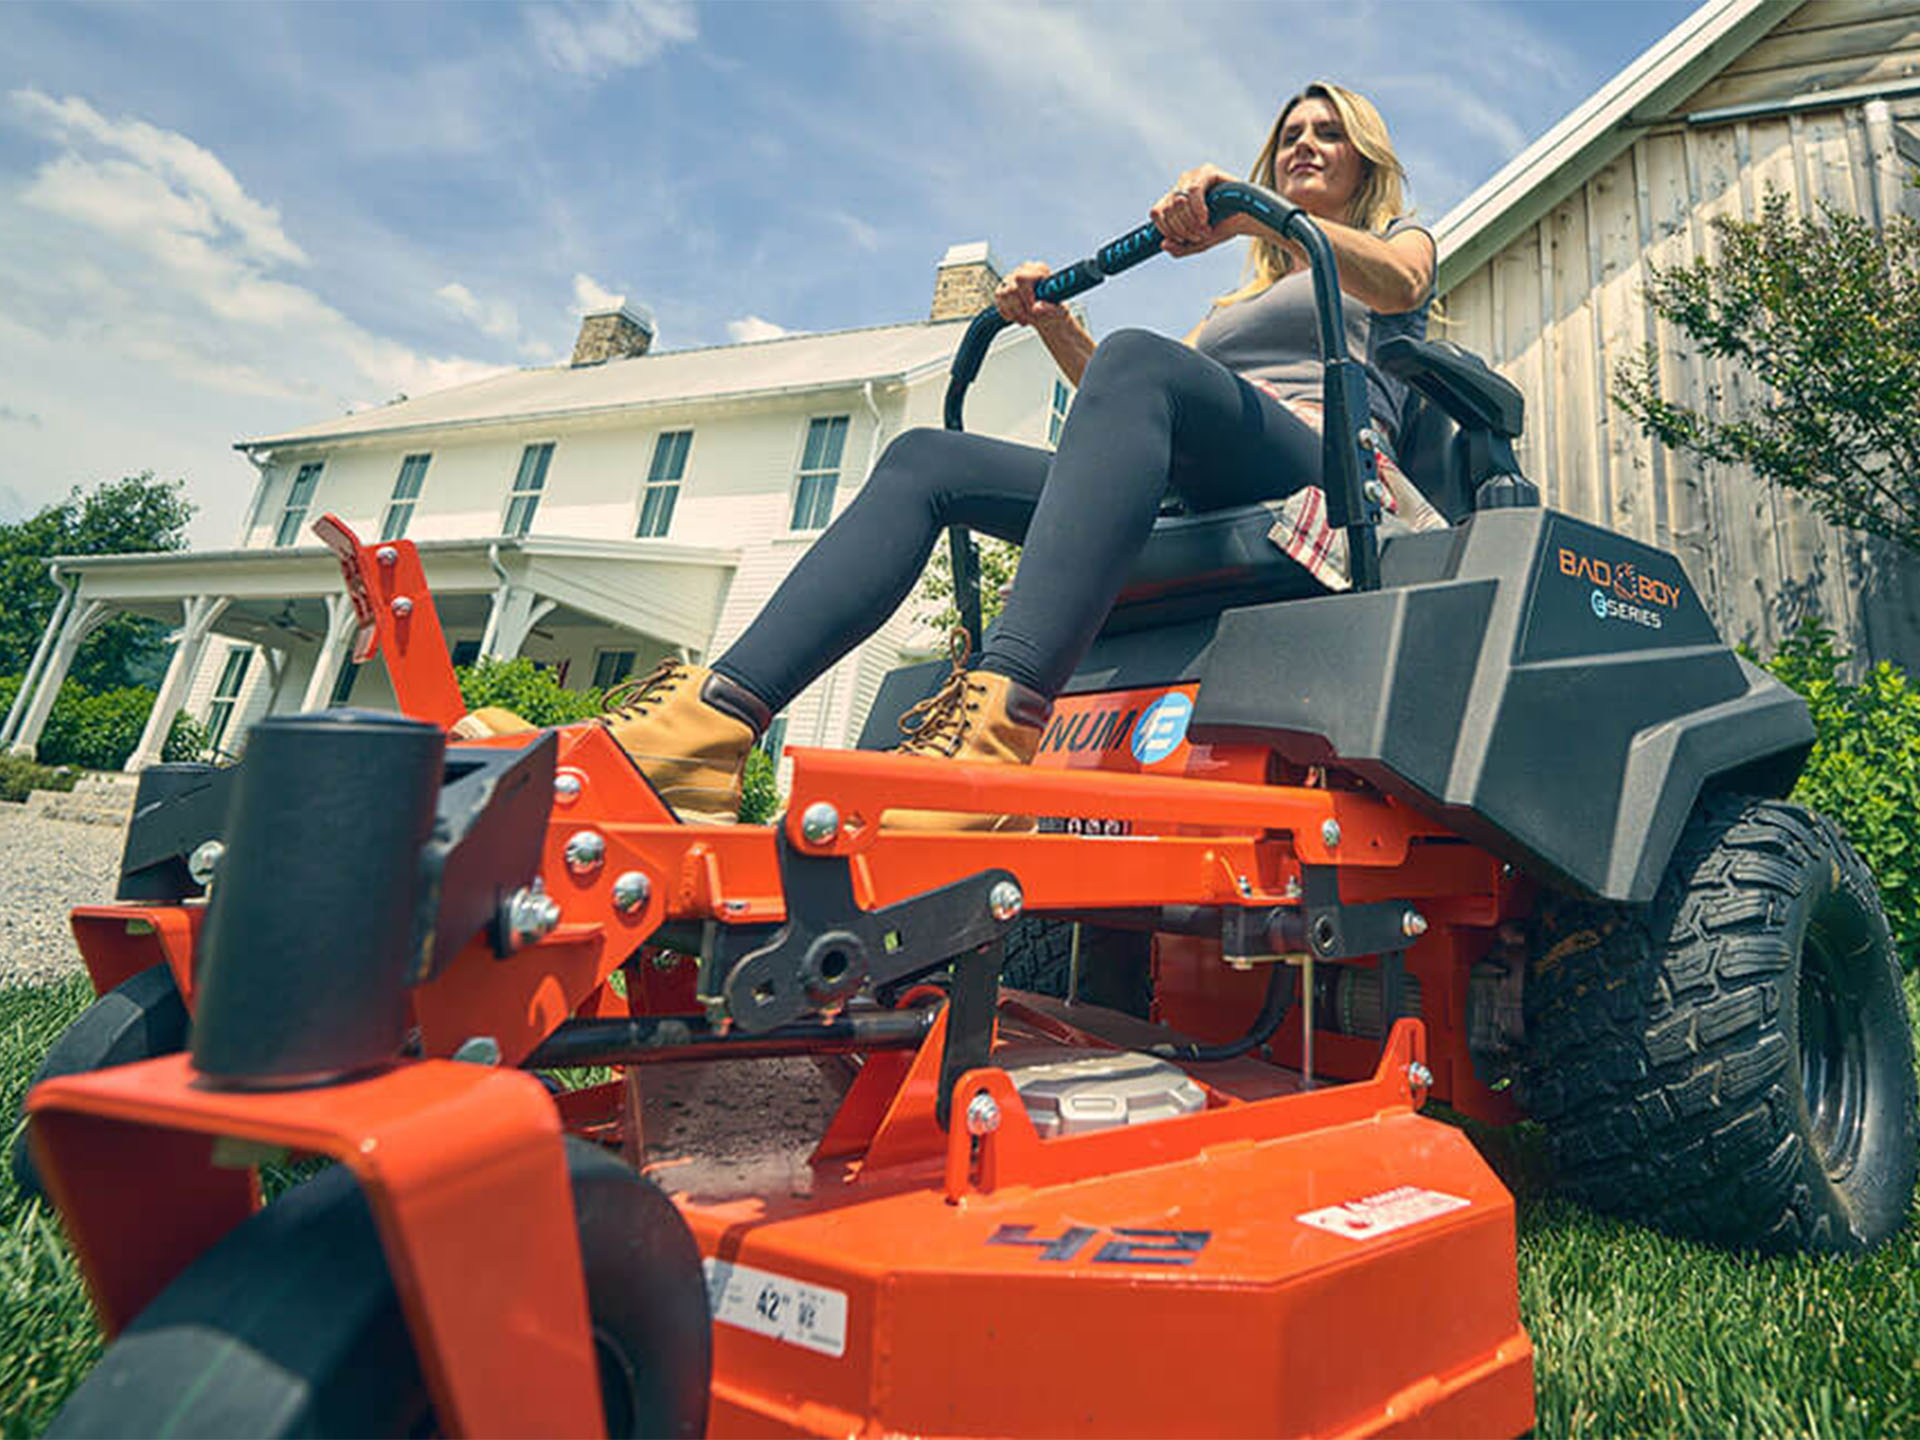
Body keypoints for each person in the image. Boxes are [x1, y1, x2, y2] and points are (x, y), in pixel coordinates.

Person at [455, 81, 1443, 828]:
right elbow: (1130, 397)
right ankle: (711, 730)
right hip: (1208, 480)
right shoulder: (1230, 306)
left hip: (1321, 471)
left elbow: (1401, 285)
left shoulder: (1385, 244)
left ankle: (996, 732)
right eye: (1290, 138)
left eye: (1328, 133)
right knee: (929, 455)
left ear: (1364, 158)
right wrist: (1053, 321)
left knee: (1146, 362)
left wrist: (1265, 212)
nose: (1306, 144)